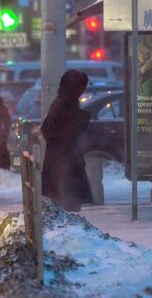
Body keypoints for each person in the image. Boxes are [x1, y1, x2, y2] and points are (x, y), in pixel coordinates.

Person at [40, 70, 93, 212]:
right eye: (81, 87)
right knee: (68, 209)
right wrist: (83, 118)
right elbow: (66, 131)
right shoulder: (65, 104)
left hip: (61, 162)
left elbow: (46, 129)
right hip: (64, 165)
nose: (83, 91)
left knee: (65, 207)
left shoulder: (60, 102)